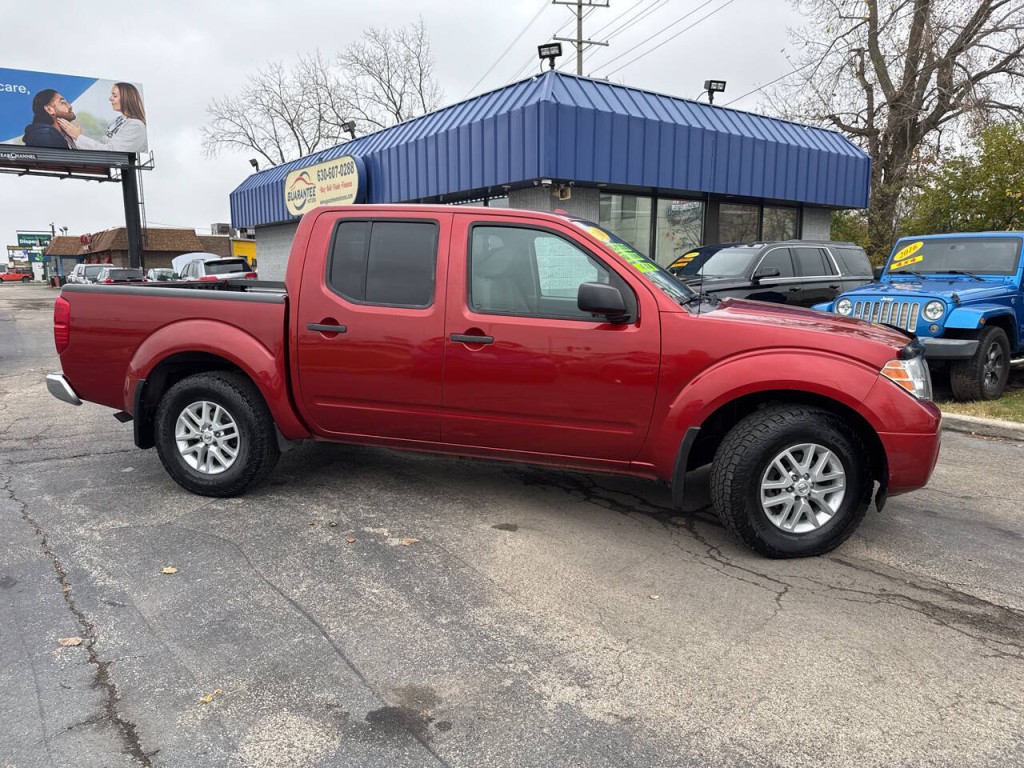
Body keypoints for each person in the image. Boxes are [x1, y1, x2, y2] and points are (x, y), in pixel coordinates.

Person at [58, 82, 147, 153]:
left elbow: (112, 152)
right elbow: (101, 144)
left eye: (115, 96)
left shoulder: (136, 126)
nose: (110, 98)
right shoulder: (117, 121)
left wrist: (78, 136)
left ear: (127, 98)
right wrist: (77, 135)